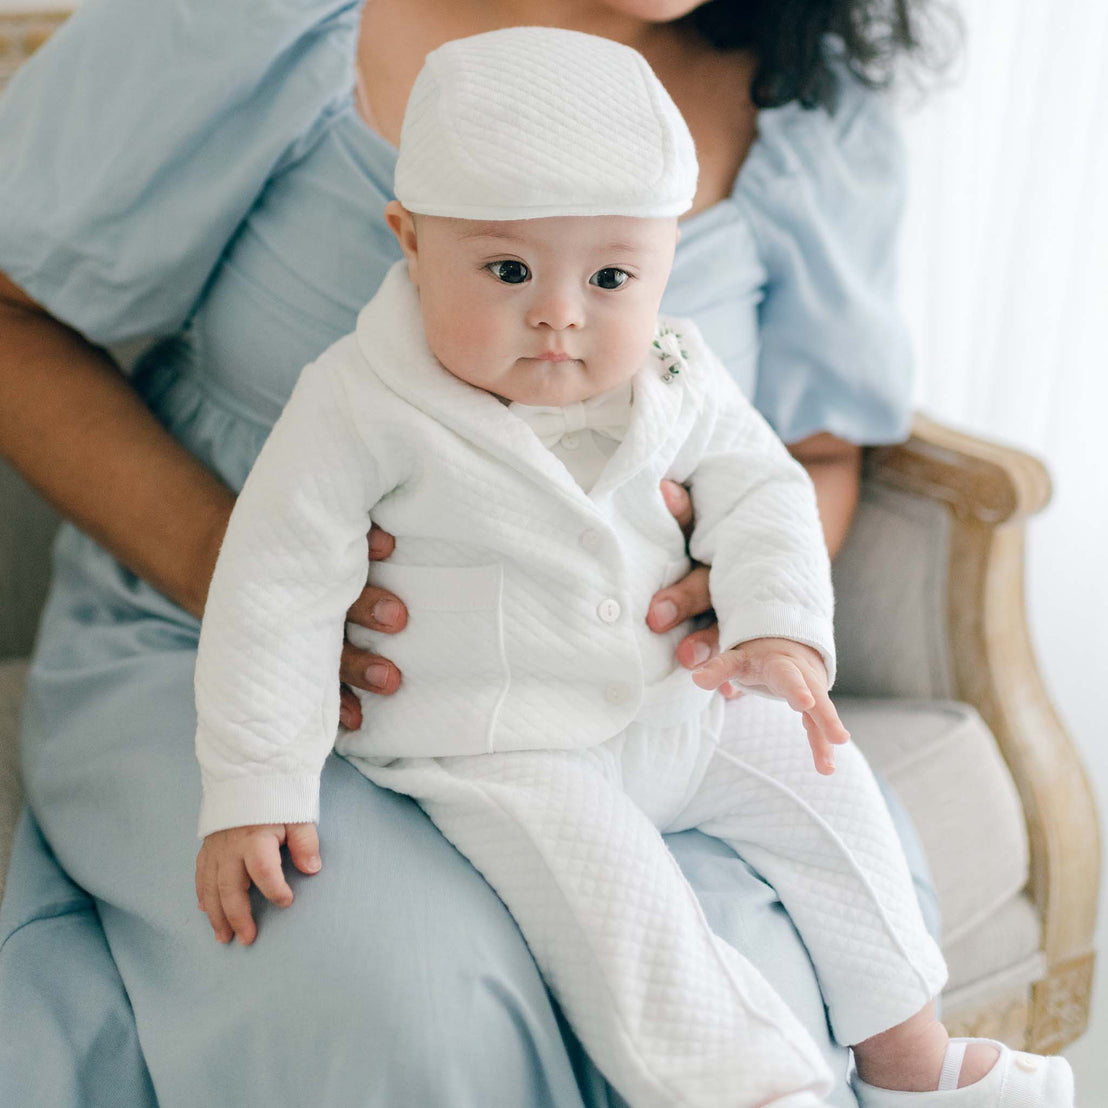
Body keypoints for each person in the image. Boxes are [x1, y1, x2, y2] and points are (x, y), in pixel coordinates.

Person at [0, 1, 960, 1105]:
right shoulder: (271, 21)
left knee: (773, 980)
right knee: (417, 1007)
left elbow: (809, 452)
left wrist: (738, 599)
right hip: (234, 641)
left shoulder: (811, 95)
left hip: (626, 685)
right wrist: (251, 566)